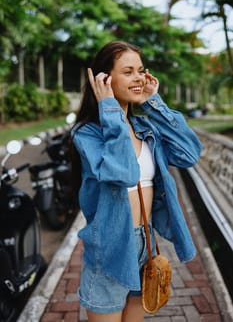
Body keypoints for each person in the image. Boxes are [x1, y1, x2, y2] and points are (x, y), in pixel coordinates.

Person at [71, 40, 202, 322]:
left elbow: (190, 154)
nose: (139, 78)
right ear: (104, 79)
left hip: (145, 239)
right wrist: (109, 108)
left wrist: (153, 103)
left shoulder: (145, 127)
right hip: (110, 245)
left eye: (140, 70)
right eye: (128, 71)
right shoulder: (87, 134)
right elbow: (124, 174)